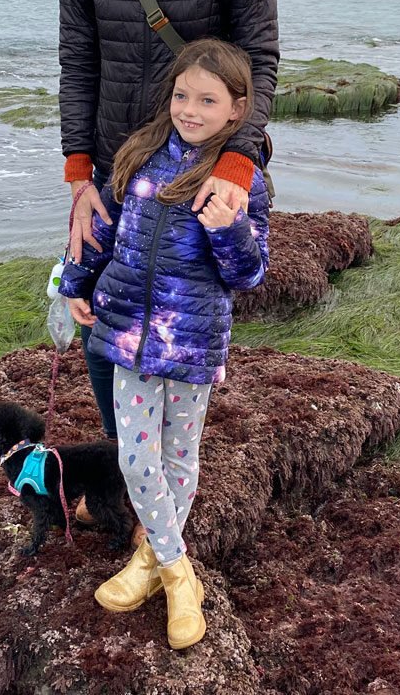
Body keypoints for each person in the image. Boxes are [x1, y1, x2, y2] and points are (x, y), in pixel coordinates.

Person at [59, 0, 279, 449]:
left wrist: (236, 170)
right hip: (113, 174)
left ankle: (163, 511)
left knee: (180, 348)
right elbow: (79, 59)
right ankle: (135, 494)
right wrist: (77, 177)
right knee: (99, 334)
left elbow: (261, 61)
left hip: (194, 175)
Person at [59, 38, 269, 649]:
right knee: (134, 454)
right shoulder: (139, 155)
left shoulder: (240, 182)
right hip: (126, 330)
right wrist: (75, 281)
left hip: (194, 341)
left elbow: (249, 274)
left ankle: (148, 562)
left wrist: (229, 230)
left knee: (179, 456)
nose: (190, 109)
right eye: (182, 95)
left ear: (237, 109)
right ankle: (180, 575)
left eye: (208, 100)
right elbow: (100, 223)